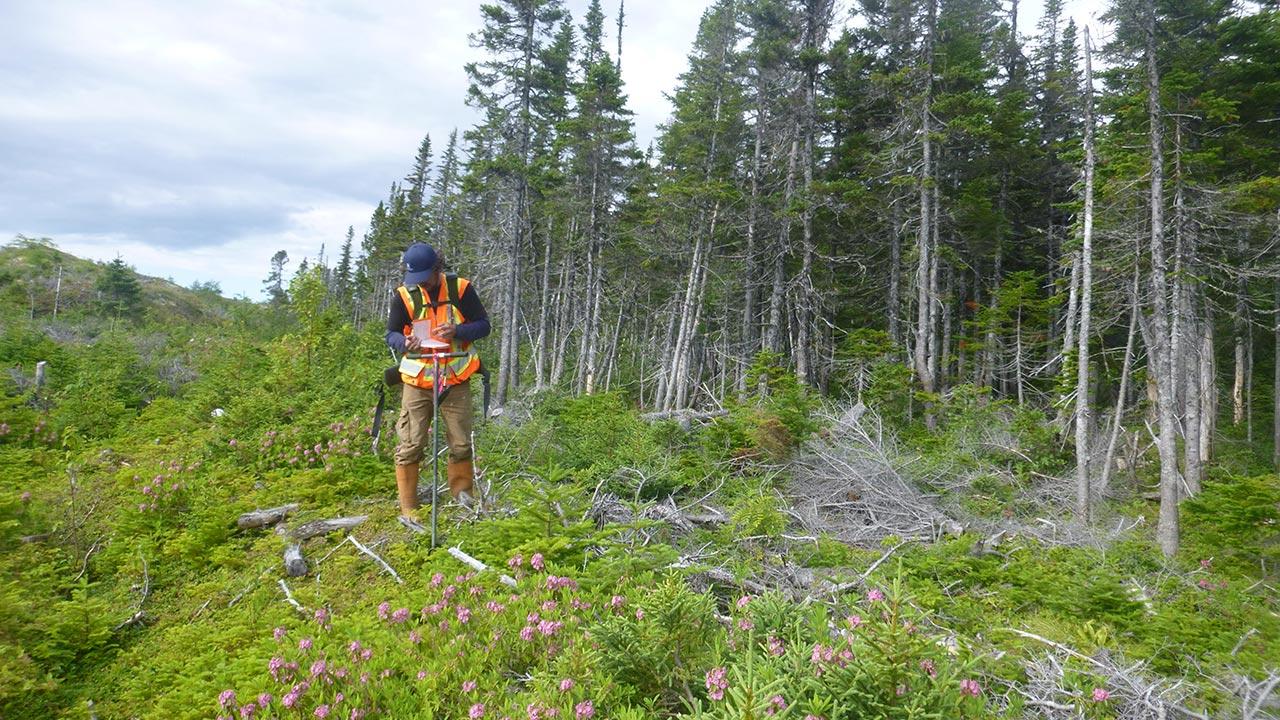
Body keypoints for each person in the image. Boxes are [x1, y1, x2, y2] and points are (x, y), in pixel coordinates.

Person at [385, 242, 490, 517]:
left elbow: (483, 325)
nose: (421, 284)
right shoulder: (404, 296)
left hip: (455, 378)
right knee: (410, 443)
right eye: (414, 278)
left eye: (424, 278)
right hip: (417, 380)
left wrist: (457, 330)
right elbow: (391, 333)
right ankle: (409, 509)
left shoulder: (461, 289)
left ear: (437, 268)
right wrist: (404, 342)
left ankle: (463, 500)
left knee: (460, 443)